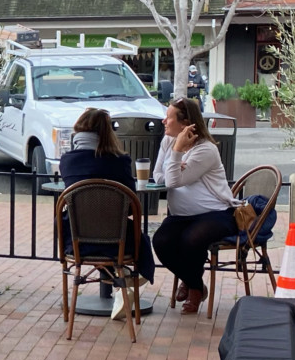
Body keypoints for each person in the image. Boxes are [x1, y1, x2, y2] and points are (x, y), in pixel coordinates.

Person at [58, 108, 154, 320]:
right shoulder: (119, 161)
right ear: (108, 132)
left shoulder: (67, 161)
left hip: (76, 241)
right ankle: (123, 282)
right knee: (141, 241)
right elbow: (131, 207)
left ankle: (121, 285)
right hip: (117, 243)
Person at [150, 97, 238, 315]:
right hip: (180, 215)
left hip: (216, 213)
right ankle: (195, 283)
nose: (164, 121)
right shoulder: (167, 141)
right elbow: (158, 175)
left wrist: (178, 152)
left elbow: (171, 181)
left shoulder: (205, 150)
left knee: (192, 239)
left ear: (185, 123)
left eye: (168, 118)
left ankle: (193, 290)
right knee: (160, 242)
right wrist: (175, 162)